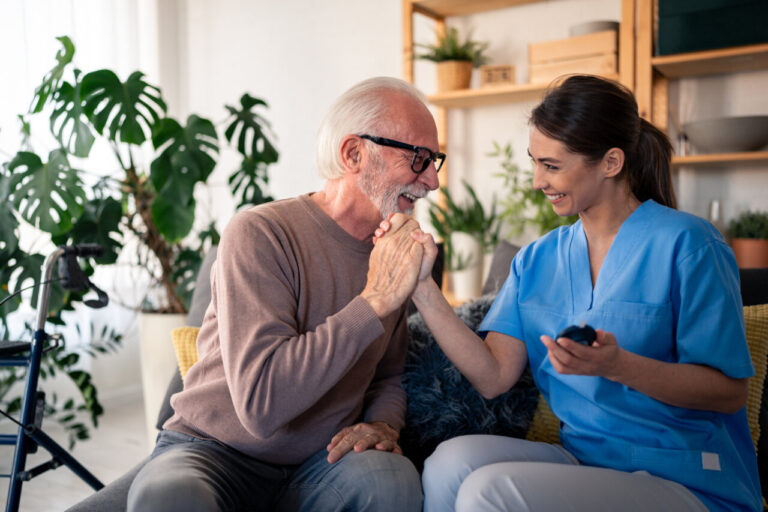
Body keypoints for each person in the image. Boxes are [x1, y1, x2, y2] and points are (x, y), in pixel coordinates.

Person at [376, 74, 761, 511]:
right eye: (534, 162)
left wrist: (619, 366)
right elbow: (493, 376)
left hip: (686, 479)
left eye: (552, 166)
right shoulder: (537, 259)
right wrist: (423, 287)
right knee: (451, 461)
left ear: (611, 162)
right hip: (588, 462)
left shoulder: (690, 244)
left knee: (490, 491)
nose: (538, 180)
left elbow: (728, 391)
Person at [126, 76, 443, 511]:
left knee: (392, 481)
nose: (432, 181)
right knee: (167, 497)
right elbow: (262, 407)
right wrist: (374, 302)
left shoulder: (394, 250)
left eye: (435, 161)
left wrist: (383, 426)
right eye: (420, 159)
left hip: (322, 462)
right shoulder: (260, 233)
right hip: (214, 452)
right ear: (354, 153)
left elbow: (388, 375)